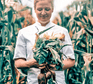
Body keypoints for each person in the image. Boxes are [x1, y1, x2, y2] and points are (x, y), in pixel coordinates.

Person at [13, 0, 75, 84]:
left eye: (47, 9)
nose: (43, 12)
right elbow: (18, 62)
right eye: (39, 9)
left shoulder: (62, 31)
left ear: (52, 9)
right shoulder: (24, 32)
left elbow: (71, 61)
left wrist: (56, 66)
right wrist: (30, 63)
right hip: (34, 81)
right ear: (34, 9)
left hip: (57, 81)